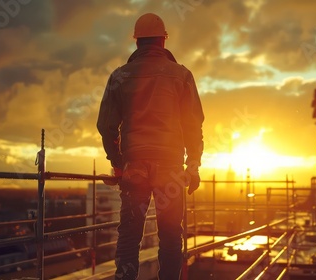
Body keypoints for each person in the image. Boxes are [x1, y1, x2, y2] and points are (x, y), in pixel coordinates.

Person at [96, 13, 204, 280]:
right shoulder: (182, 76)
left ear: (137, 43)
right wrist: (193, 165)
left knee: (131, 233)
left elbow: (106, 126)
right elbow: (193, 125)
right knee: (170, 234)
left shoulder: (120, 77)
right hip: (171, 168)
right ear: (163, 42)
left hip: (135, 166)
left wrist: (118, 164)